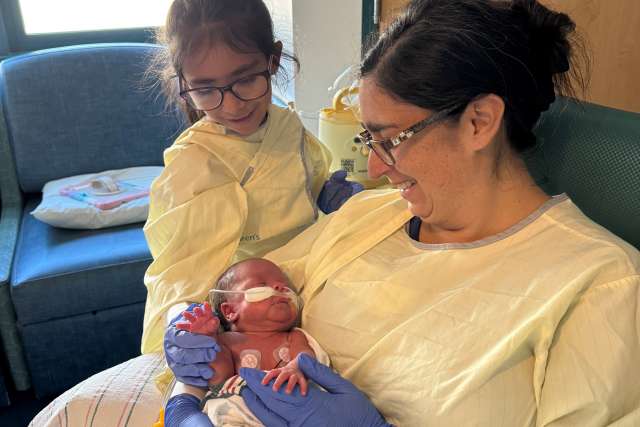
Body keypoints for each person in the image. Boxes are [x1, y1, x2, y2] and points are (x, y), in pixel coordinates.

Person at [164, 0, 640, 426]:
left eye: (388, 139)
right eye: (367, 140)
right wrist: (189, 321)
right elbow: (239, 289)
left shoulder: (600, 286)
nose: (373, 166)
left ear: (480, 122)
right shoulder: (367, 218)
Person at [142, 0, 363, 363]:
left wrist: (328, 192)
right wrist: (179, 320)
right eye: (205, 88)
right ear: (184, 83)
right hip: (247, 311)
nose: (231, 106)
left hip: (305, 283)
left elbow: (309, 178)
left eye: (245, 79)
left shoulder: (287, 126)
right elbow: (178, 271)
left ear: (272, 61)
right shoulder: (193, 164)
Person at [165, 258, 330, 426]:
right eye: (261, 284)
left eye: (285, 286)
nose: (279, 288)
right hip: (242, 413)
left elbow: (305, 356)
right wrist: (207, 339)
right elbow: (218, 378)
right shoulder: (226, 342)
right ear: (229, 311)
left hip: (294, 410)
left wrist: (296, 367)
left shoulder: (293, 336)